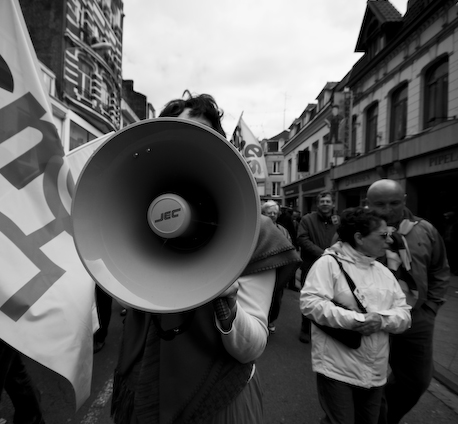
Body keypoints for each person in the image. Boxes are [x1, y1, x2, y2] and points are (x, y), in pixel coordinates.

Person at [110, 92, 301, 423]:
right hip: (144, 382)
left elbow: (251, 346)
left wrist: (227, 306)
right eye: (175, 137)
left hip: (214, 398)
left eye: (199, 137)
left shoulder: (255, 230)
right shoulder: (136, 217)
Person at [300, 207, 411, 424]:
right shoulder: (328, 263)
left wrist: (382, 320)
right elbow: (310, 303)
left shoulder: (384, 272)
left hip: (376, 371)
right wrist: (356, 321)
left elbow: (405, 315)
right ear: (359, 237)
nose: (389, 241)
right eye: (383, 235)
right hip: (336, 368)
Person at [366, 179, 450, 424]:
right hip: (373, 319)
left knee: (416, 380)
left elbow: (439, 270)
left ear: (404, 200)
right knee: (367, 380)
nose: (387, 209)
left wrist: (432, 307)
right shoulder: (355, 232)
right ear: (368, 204)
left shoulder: (424, 230)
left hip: (417, 317)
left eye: (394, 203)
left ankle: (385, 417)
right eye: (379, 204)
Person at [296, 191, 339, 343]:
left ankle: (325, 328)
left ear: (333, 203)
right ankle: (305, 327)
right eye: (322, 201)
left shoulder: (338, 221)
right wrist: (323, 255)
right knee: (309, 297)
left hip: (335, 266)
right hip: (311, 265)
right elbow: (302, 239)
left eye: (328, 201)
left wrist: (333, 256)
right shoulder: (307, 219)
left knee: (331, 298)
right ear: (317, 204)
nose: (325, 204)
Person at [261, 200, 293, 334]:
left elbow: (289, 247)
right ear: (263, 214)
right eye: (270, 213)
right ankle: (260, 319)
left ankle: (271, 319)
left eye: (275, 212)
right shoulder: (258, 228)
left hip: (278, 269)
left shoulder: (283, 230)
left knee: (277, 298)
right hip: (262, 269)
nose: (273, 215)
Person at [441, 211, 458, 275]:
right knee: (449, 257)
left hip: (455, 244)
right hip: (448, 243)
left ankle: (457, 270)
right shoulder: (447, 225)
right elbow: (446, 233)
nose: (446, 219)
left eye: (448, 217)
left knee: (456, 257)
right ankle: (452, 269)